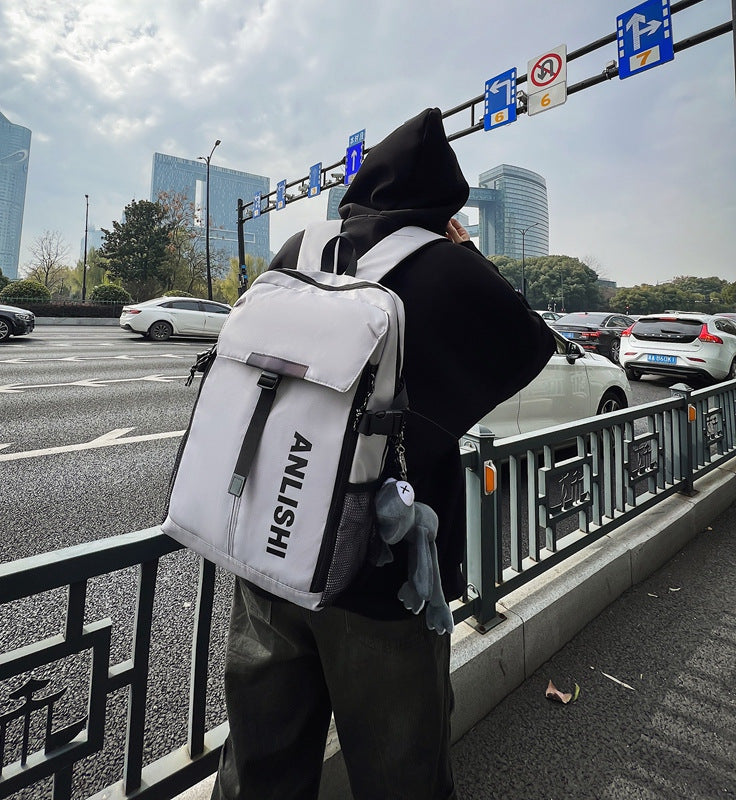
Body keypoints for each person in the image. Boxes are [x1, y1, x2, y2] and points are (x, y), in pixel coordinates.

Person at [212, 108, 556, 800]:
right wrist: (463, 250)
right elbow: (530, 344)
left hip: (268, 549)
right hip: (381, 579)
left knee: (260, 766)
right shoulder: (443, 266)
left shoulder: (298, 252)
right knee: (402, 773)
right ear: (444, 201)